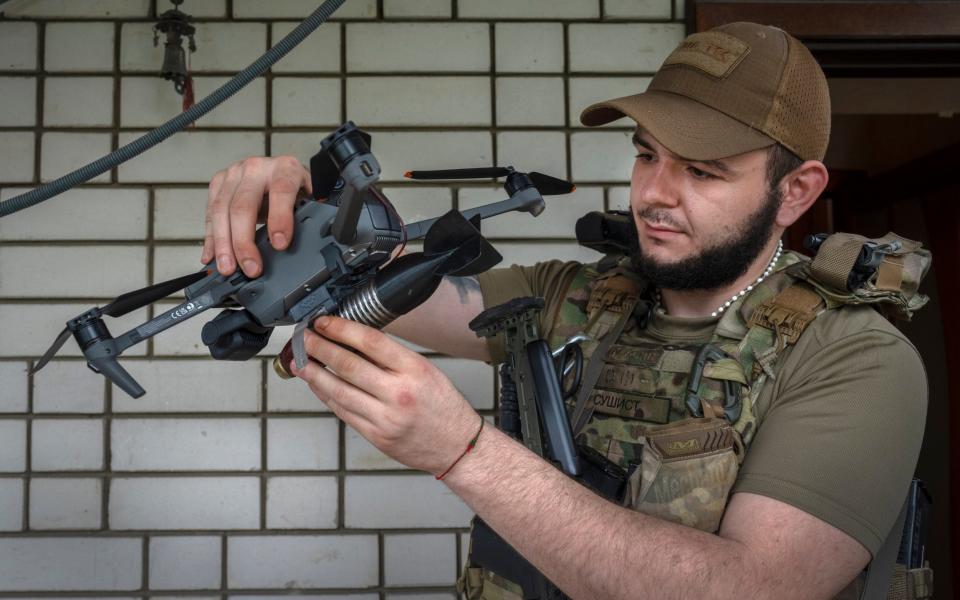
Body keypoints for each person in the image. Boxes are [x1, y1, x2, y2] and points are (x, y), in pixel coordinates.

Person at [201, 22, 927, 599]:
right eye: (648, 156)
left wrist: (464, 454)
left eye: (703, 171)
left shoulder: (852, 357)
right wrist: (306, 208)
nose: (654, 194)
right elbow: (395, 283)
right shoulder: (573, 298)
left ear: (796, 191)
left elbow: (754, 587)